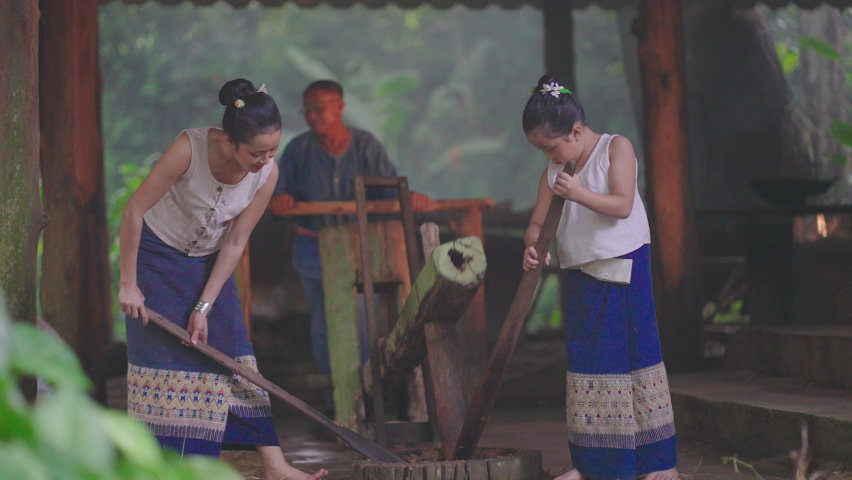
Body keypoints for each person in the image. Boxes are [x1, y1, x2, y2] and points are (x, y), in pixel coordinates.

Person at [118, 78, 328, 480]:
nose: (265, 161)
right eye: (256, 152)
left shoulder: (266, 173)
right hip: (155, 261)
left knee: (236, 359)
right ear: (230, 141)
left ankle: (275, 466)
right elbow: (134, 212)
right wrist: (129, 282)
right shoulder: (189, 149)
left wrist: (203, 306)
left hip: (208, 264)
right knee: (159, 368)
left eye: (272, 150)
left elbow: (235, 241)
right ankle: (160, 469)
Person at [521, 74, 678, 480]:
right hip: (582, 277)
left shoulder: (616, 148)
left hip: (625, 272)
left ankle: (657, 465)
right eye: (540, 151)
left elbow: (622, 204)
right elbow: (538, 223)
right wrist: (534, 245)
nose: (547, 157)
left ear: (576, 131)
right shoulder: (554, 172)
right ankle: (594, 467)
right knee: (589, 367)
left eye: (551, 147)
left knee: (633, 362)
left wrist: (577, 194)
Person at [272, 80, 428, 383]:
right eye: (308, 110)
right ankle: (335, 403)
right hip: (313, 252)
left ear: (340, 107)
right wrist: (280, 199)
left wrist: (411, 197)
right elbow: (277, 192)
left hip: (360, 252)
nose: (314, 116)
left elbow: (390, 191)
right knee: (323, 323)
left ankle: (366, 396)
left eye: (321, 109)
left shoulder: (365, 146)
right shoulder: (298, 150)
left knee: (360, 321)